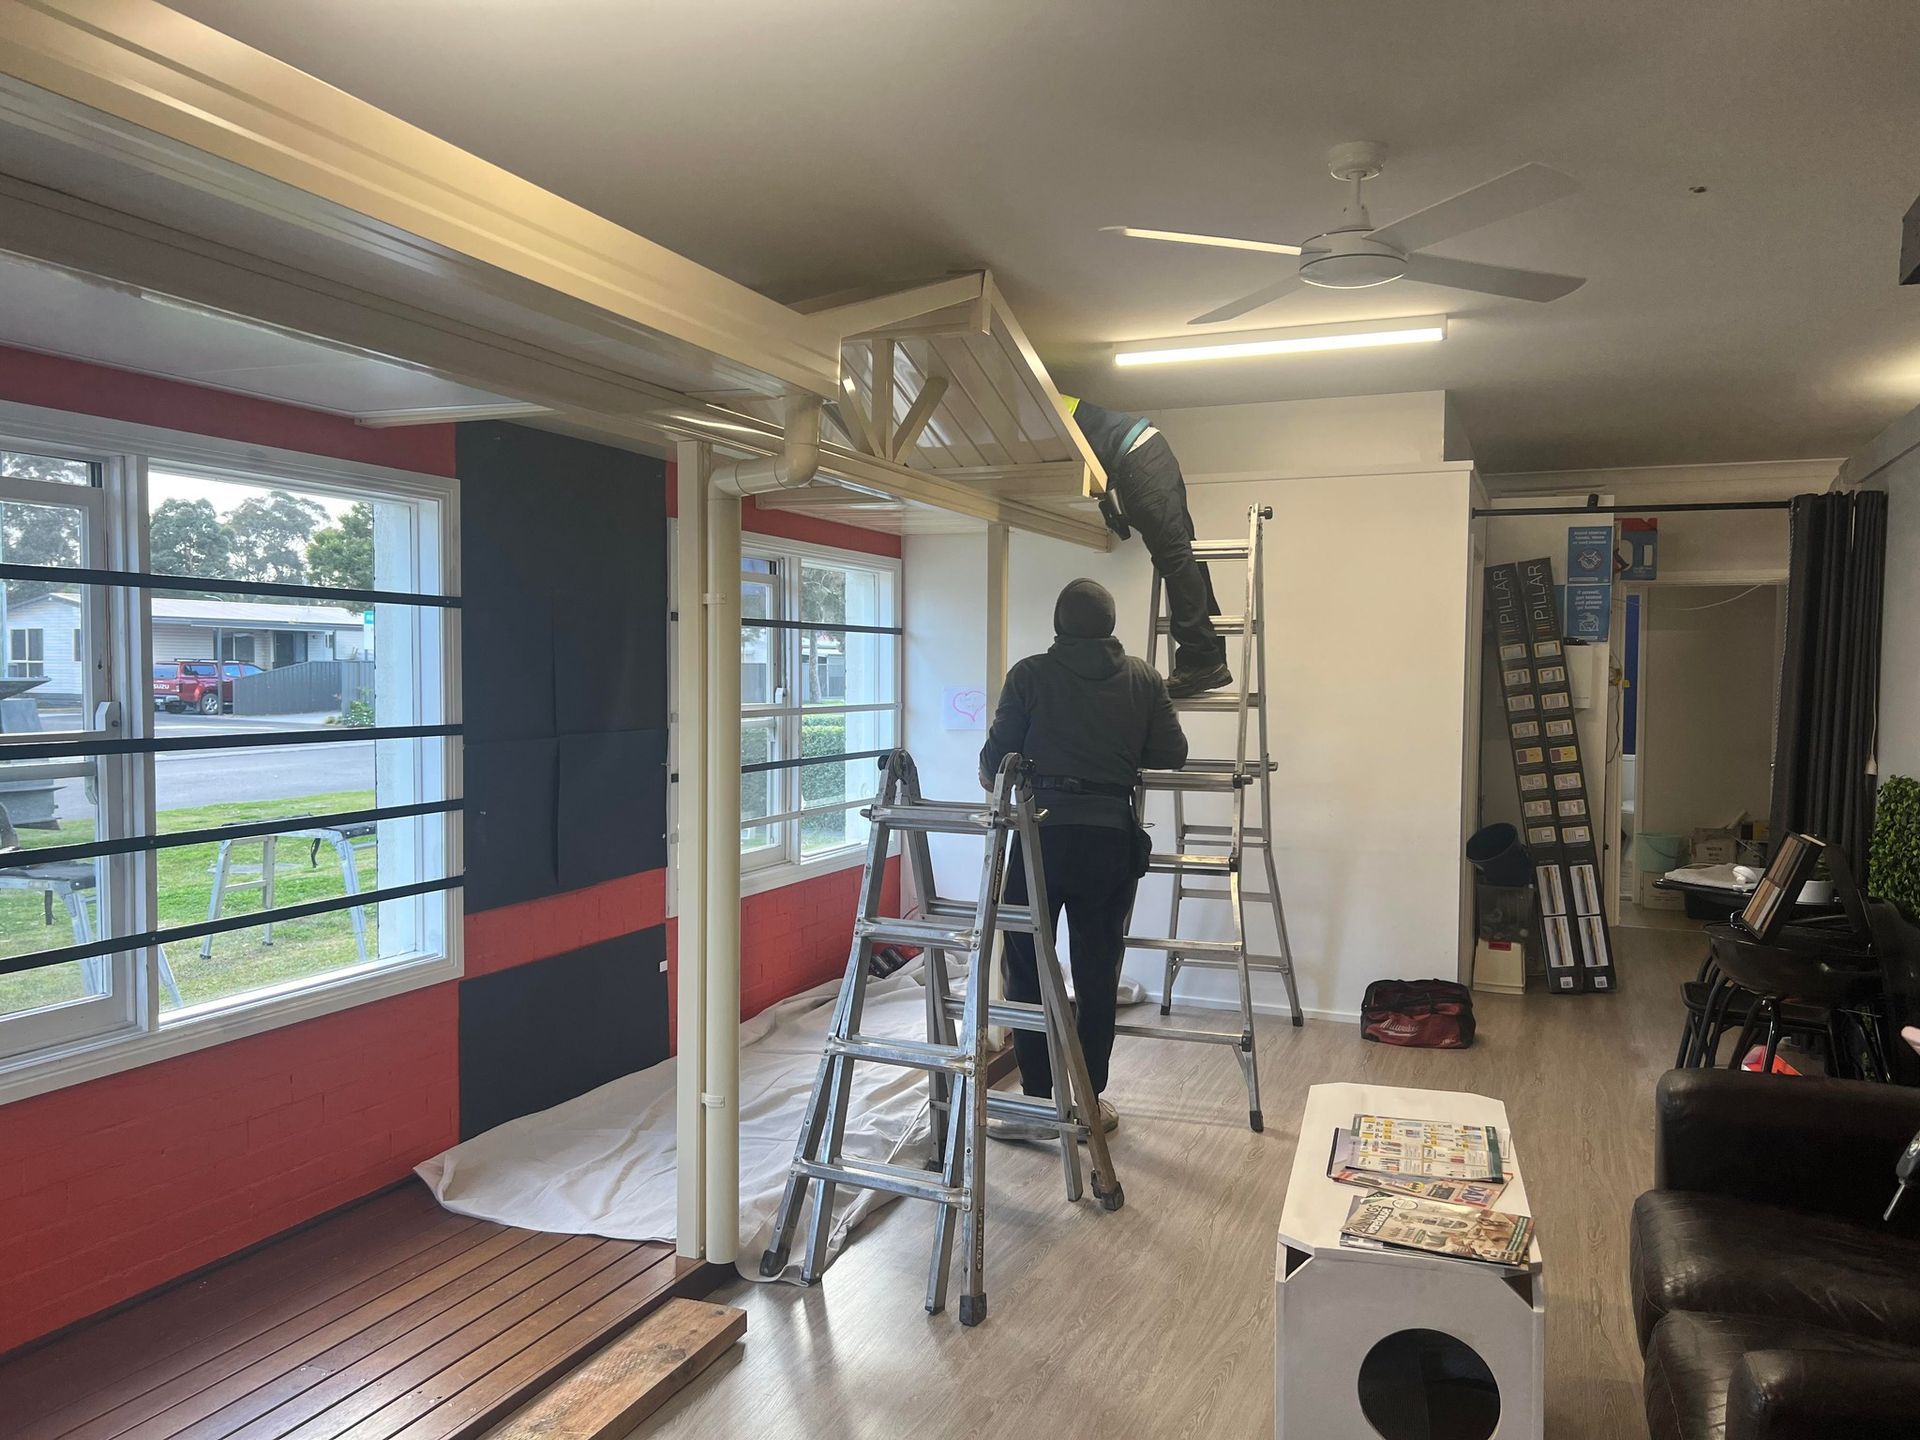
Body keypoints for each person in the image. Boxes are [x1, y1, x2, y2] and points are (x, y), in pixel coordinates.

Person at [978, 577, 1188, 1138]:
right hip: (1108, 840)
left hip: (1040, 836)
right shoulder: (1142, 677)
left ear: (1058, 625)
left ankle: (1041, 1100)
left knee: (1025, 963)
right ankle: (1090, 1100)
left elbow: (994, 764)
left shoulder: (1029, 675)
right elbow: (1173, 752)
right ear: (1111, 625)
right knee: (1099, 971)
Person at [1064, 396, 1230, 697]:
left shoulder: (1037, 407)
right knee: (1183, 554)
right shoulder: (1048, 408)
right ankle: (1210, 656)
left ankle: (1201, 660)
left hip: (1136, 457)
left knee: (1174, 558)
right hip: (1146, 451)